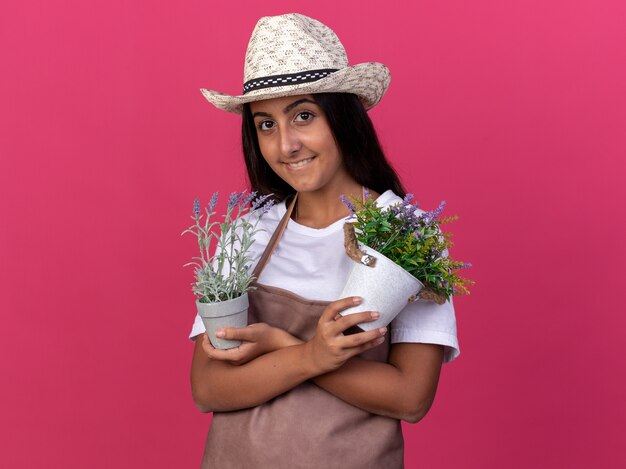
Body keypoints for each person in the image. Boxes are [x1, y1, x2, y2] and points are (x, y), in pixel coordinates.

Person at [189, 13, 460, 468]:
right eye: (266, 124)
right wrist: (310, 355)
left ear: (343, 116)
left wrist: (285, 348)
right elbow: (207, 387)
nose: (286, 145)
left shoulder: (406, 235)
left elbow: (411, 398)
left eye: (303, 116)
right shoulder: (245, 235)